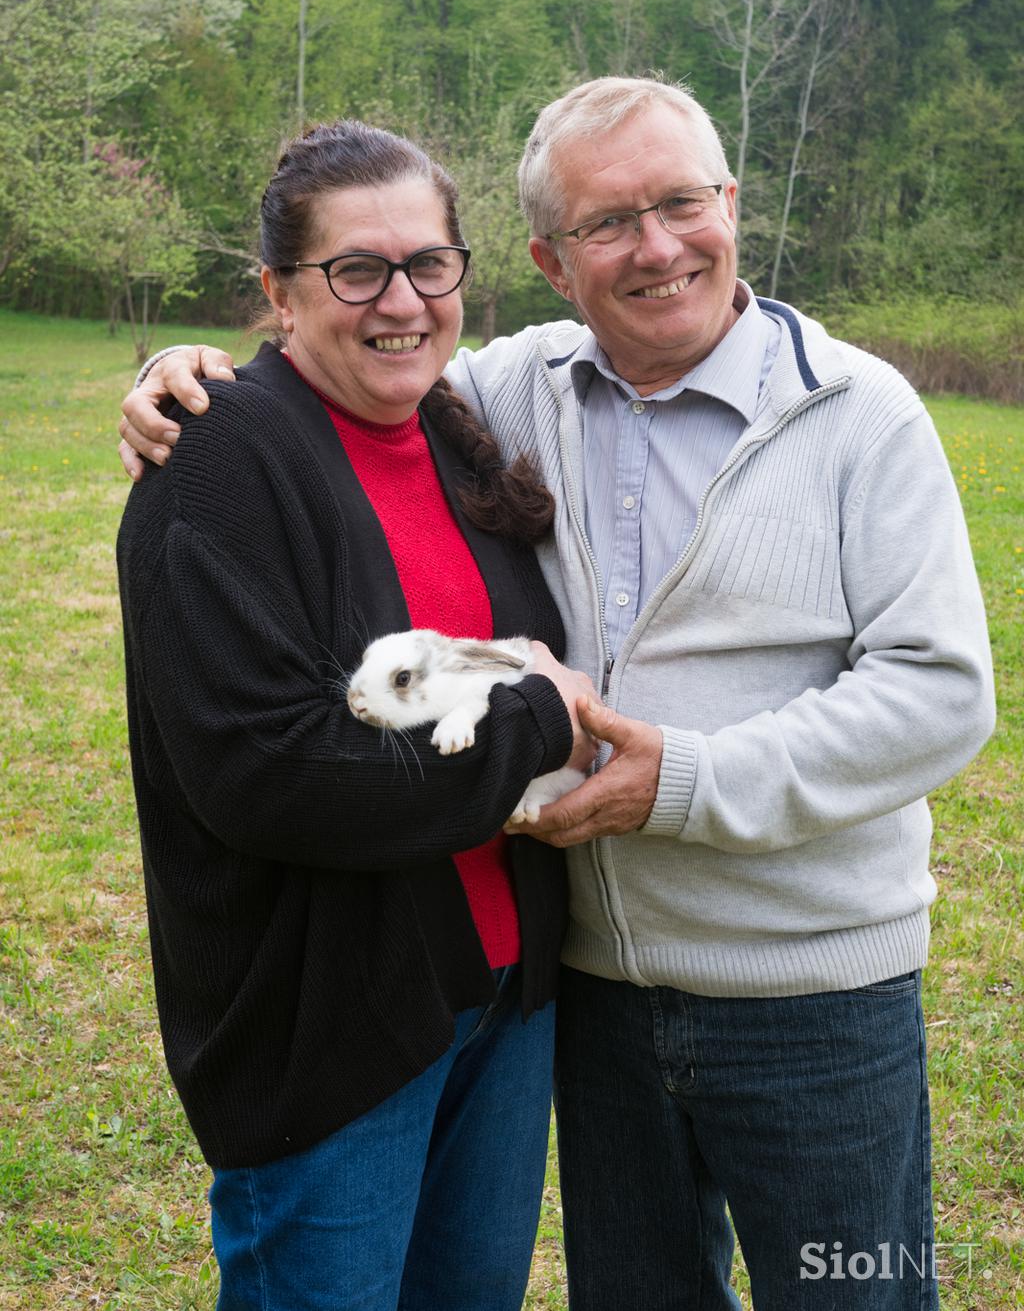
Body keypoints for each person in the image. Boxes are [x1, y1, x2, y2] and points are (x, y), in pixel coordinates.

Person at [120, 78, 996, 1311]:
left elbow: (940, 693)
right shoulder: (509, 390)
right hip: (597, 991)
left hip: (813, 993)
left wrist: (681, 783)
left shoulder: (858, 413)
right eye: (606, 223)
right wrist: (185, 374)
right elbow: (340, 364)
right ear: (548, 258)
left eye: (681, 201)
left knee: (854, 1289)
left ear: (730, 203)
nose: (655, 246)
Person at [116, 118, 597, 1311]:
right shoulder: (217, 465)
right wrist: (541, 719)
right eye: (356, 269)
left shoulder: (455, 430)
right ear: (278, 291)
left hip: (500, 1000)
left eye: (430, 263)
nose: (402, 299)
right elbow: (277, 771)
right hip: (332, 1027)